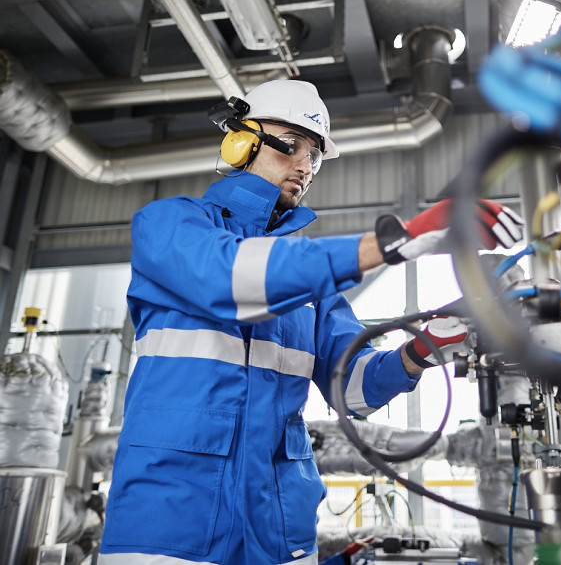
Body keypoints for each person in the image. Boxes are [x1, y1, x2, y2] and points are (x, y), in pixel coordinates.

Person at [98, 79, 523, 565]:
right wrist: (393, 242)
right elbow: (230, 280)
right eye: (291, 145)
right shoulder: (168, 225)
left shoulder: (311, 279)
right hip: (170, 525)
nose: (304, 166)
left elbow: (353, 389)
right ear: (241, 141)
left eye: (315, 156)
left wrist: (420, 350)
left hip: (280, 529)